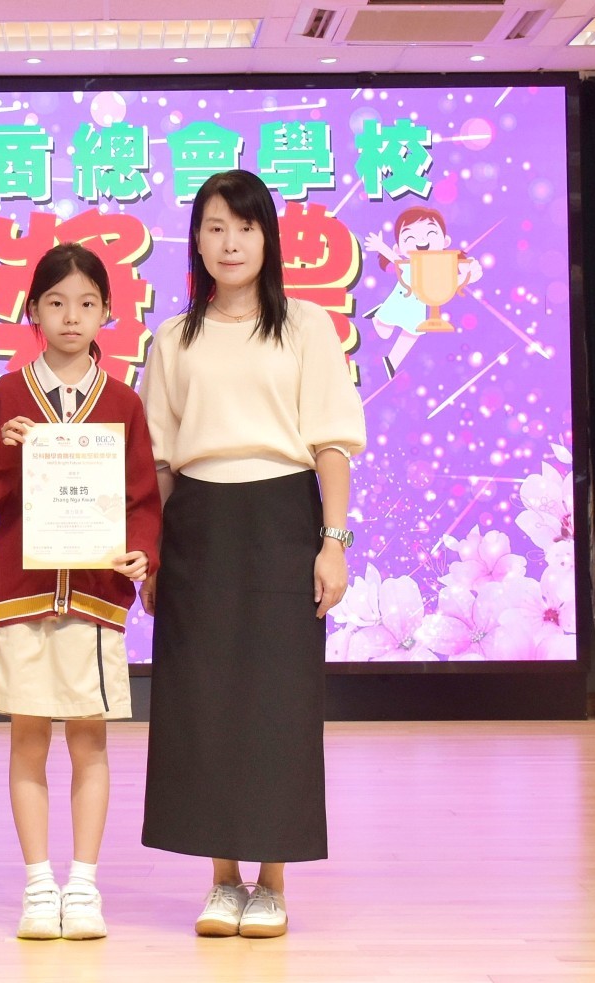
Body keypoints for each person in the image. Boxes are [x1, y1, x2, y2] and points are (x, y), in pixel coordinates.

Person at [138, 170, 366, 939]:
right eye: (214, 227)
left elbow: (332, 444)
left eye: (245, 226)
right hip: (199, 523)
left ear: (268, 238)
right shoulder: (174, 338)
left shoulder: (306, 325)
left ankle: (270, 881)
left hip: (282, 519)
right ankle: (221, 879)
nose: (230, 242)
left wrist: (332, 541)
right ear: (196, 241)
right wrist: (154, 552)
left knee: (278, 700)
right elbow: (161, 461)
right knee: (201, 700)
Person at [0, 244, 162, 941]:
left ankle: (83, 883)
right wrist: (7, 448)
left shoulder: (124, 403)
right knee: (26, 740)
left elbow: (142, 498)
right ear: (33, 312)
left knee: (89, 742)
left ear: (108, 311)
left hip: (95, 598)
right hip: (21, 595)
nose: (71, 316)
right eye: (56, 303)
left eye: (86, 303)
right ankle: (37, 882)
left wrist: (144, 554)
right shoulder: (7, 395)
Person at [363, 206, 483, 378]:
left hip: (418, 307)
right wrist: (380, 246)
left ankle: (392, 362)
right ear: (399, 248)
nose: (421, 242)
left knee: (412, 333)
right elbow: (394, 258)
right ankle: (378, 315)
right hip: (399, 302)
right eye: (410, 238)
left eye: (431, 234)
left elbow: (447, 284)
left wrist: (468, 276)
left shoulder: (440, 267)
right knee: (384, 333)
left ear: (445, 241)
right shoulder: (409, 266)